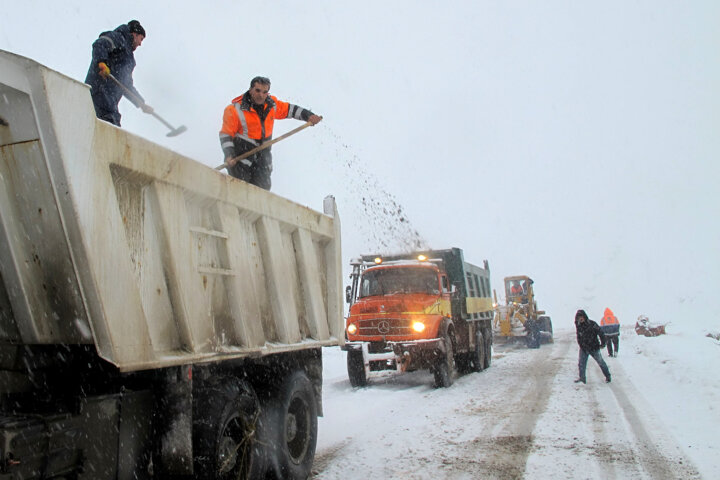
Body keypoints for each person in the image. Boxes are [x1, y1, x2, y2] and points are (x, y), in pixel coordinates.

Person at [219, 76, 323, 190]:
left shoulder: (271, 105)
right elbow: (226, 134)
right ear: (250, 90)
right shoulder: (234, 110)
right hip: (240, 159)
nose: (261, 95)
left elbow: (290, 109)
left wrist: (309, 116)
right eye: (257, 90)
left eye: (265, 92)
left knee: (262, 192)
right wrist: (229, 154)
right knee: (240, 191)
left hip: (263, 159)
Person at [85, 20, 153, 126]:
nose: (140, 44)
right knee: (110, 121)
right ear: (134, 34)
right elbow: (100, 44)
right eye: (141, 39)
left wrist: (140, 102)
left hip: (110, 100)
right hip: (99, 90)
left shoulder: (129, 59)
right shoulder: (118, 38)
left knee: (112, 122)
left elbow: (126, 85)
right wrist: (102, 63)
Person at [574, 309, 611, 384]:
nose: (580, 319)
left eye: (581, 317)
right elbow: (578, 336)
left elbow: (601, 333)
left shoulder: (592, 324)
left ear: (585, 317)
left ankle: (608, 376)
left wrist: (603, 343)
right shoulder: (578, 325)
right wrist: (581, 344)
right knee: (581, 364)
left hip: (594, 347)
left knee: (601, 362)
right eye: (579, 317)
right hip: (584, 348)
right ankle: (582, 379)